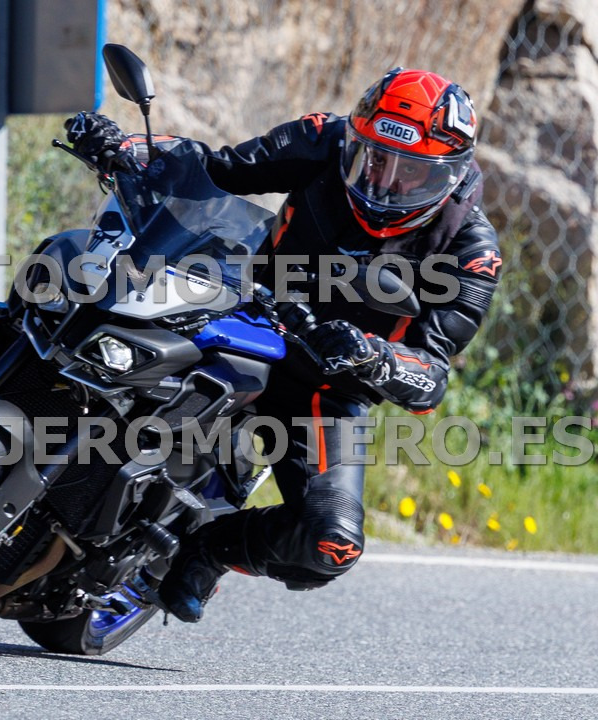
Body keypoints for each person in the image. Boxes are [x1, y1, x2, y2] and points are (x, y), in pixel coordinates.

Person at [65, 68, 502, 622]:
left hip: (325, 386)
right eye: (373, 159)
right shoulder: (324, 138)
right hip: (243, 311)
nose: (383, 182)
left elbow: (432, 376)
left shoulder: (471, 253)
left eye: (410, 172)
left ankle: (208, 548)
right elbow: (218, 168)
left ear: (450, 173)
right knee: (99, 323)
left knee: (332, 544)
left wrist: (374, 356)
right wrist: (128, 149)